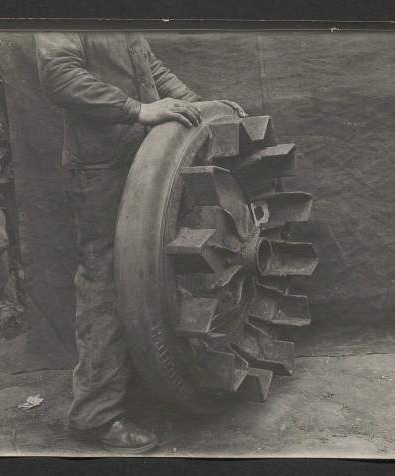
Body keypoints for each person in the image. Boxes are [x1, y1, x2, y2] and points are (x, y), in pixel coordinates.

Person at [34, 32, 246, 454]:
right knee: (106, 281)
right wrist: (138, 110)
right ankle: (95, 415)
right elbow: (59, 75)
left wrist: (209, 111)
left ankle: (132, 391)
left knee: (151, 279)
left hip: (145, 160)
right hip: (101, 168)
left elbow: (154, 72)